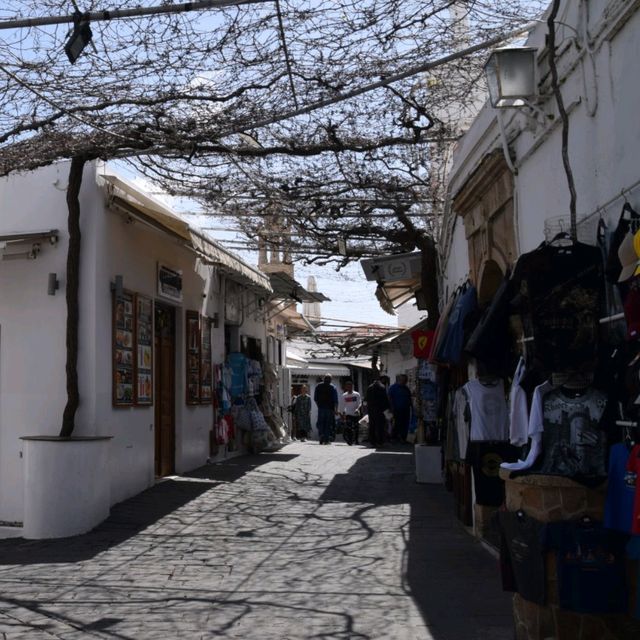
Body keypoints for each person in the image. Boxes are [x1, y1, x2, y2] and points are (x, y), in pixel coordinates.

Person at [365, 375, 391, 447]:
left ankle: (373, 442)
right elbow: (385, 399)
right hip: (380, 410)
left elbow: (366, 400)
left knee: (372, 425)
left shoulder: (369, 387)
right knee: (380, 426)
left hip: (371, 410)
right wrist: (388, 408)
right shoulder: (382, 387)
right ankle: (380, 442)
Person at [314, 374, 339, 444]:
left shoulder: (318, 386)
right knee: (328, 424)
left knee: (321, 422)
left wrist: (318, 406)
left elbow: (315, 399)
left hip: (321, 408)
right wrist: (336, 409)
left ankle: (321, 435)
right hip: (330, 408)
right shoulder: (333, 387)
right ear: (330, 380)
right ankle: (326, 439)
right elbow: (336, 400)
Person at [388, 374, 413, 443]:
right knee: (397, 424)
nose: (405, 381)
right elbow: (389, 398)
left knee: (405, 424)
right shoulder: (393, 388)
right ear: (399, 380)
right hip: (396, 409)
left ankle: (403, 438)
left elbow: (409, 398)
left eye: (406, 380)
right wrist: (391, 408)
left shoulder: (406, 388)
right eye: (404, 380)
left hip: (406, 409)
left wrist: (412, 407)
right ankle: (394, 437)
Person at [340, 380, 362, 444]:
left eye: (350, 386)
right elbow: (342, 405)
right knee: (349, 427)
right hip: (348, 414)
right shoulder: (344, 395)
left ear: (352, 386)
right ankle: (350, 440)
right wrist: (342, 413)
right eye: (348, 386)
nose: (349, 387)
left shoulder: (356, 394)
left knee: (356, 427)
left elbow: (360, 403)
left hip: (356, 413)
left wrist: (357, 409)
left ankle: (356, 440)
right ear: (346, 387)